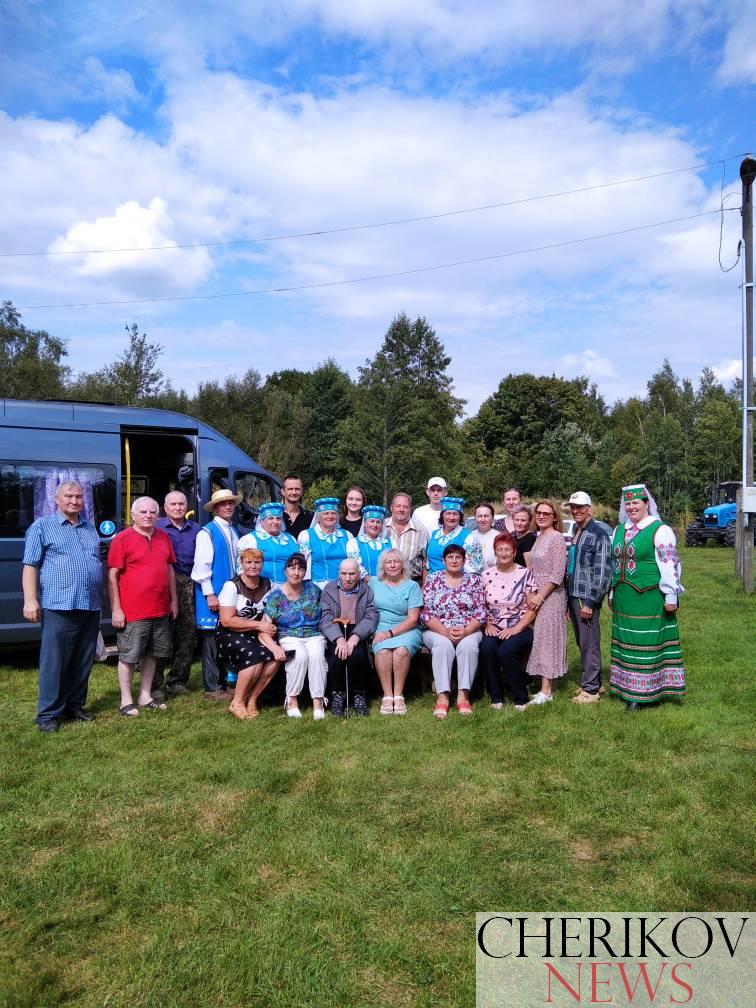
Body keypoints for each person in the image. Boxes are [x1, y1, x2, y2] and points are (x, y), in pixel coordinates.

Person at [22, 480, 103, 733]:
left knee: (83, 660)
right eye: (68, 496)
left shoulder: (90, 528)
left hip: (89, 605)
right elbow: (30, 565)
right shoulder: (42, 527)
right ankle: (48, 714)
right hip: (59, 605)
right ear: (57, 499)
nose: (74, 501)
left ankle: (75, 706)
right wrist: (30, 599)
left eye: (78, 496)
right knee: (54, 662)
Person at [608, 484, 686, 712]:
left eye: (636, 503)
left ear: (646, 504)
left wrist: (671, 594)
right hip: (624, 596)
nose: (631, 507)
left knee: (647, 643)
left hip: (649, 596)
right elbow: (615, 564)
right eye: (628, 503)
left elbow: (670, 563)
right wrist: (613, 591)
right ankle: (627, 688)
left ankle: (644, 694)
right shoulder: (618, 530)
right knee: (627, 642)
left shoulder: (660, 530)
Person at [107, 497, 178, 716]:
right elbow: (112, 575)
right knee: (129, 656)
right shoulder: (122, 539)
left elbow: (169, 570)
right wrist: (116, 609)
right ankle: (126, 700)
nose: (148, 515)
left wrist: (173, 600)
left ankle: (145, 695)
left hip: (160, 608)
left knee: (153, 654)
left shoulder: (163, 537)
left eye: (152, 512)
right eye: (143, 512)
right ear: (133, 515)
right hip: (133, 611)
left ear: (158, 515)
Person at [421, 543, 487, 718]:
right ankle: (443, 696)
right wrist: (444, 631)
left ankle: (463, 695)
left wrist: (466, 631)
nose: (454, 560)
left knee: (469, 647)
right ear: (443, 560)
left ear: (464, 560)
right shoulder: (433, 580)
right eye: (450, 557)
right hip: (437, 630)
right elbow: (426, 613)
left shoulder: (474, 580)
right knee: (443, 646)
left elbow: (480, 612)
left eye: (458, 557)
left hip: (469, 629)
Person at [216, 547, 280, 719]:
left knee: (275, 658)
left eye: (257, 562)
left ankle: (252, 699)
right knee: (255, 659)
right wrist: (259, 625)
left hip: (258, 632)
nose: (253, 566)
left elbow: (270, 616)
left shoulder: (269, 584)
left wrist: (267, 630)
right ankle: (237, 702)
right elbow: (227, 620)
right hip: (231, 632)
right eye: (249, 562)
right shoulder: (232, 586)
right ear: (242, 564)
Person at [262, 552, 327, 720]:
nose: (296, 572)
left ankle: (318, 702)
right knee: (300, 657)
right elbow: (264, 626)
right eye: (292, 568)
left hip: (314, 634)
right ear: (285, 571)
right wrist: (274, 647)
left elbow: (327, 612)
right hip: (288, 635)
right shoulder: (276, 596)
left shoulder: (313, 589)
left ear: (305, 572)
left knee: (317, 656)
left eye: (300, 569)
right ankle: (291, 699)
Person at [191, 488, 241, 701]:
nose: (228, 506)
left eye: (230, 503)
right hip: (213, 594)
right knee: (211, 641)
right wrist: (210, 594)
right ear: (215, 509)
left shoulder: (233, 530)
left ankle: (225, 681)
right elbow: (202, 567)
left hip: (229, 594)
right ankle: (212, 687)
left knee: (226, 639)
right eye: (223, 504)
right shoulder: (207, 532)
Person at [480, 532, 538, 710]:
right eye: (500, 550)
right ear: (495, 552)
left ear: (514, 553)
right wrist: (487, 624)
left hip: (520, 626)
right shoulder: (486, 574)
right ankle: (496, 697)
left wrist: (516, 629)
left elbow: (532, 608)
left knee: (506, 650)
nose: (504, 553)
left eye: (508, 550)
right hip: (493, 625)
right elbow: (480, 604)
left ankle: (521, 697)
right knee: (487, 648)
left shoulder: (525, 574)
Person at [564, 492, 612, 705]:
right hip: (574, 594)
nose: (576, 511)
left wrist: (592, 602)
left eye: (580, 507)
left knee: (589, 642)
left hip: (587, 597)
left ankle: (590, 691)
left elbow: (603, 571)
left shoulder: (598, 533)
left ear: (589, 508)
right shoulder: (577, 530)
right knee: (582, 642)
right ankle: (594, 683)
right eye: (573, 507)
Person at [153, 490, 199, 698]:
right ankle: (154, 683)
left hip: (190, 584)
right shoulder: (156, 528)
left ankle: (178, 680)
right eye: (173, 504)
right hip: (164, 584)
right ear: (165, 507)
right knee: (161, 635)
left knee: (187, 634)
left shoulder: (197, 529)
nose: (178, 508)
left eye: (181, 504)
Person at [320, 558, 378, 716]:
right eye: (344, 573)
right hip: (335, 628)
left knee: (357, 655)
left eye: (352, 574)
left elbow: (370, 616)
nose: (347, 578)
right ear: (338, 573)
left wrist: (355, 637)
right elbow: (325, 618)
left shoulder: (366, 590)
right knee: (336, 655)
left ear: (359, 574)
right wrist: (338, 638)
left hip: (357, 629)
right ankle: (337, 695)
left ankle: (359, 695)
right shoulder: (329, 589)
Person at [524, 499, 568, 704]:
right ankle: (548, 684)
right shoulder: (539, 537)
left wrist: (540, 596)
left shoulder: (556, 537)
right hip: (536, 594)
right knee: (540, 639)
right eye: (538, 513)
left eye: (546, 513)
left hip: (551, 595)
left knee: (548, 640)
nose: (541, 516)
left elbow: (557, 573)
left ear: (554, 517)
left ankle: (546, 691)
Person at [370, 548, 423, 715]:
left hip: (406, 628)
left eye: (396, 561)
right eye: (388, 562)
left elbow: (413, 618)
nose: (393, 565)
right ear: (382, 565)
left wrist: (390, 634)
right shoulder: (373, 582)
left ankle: (399, 695)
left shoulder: (412, 586)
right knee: (383, 650)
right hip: (380, 627)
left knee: (401, 651)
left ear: (403, 565)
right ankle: (387, 695)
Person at [297, 497, 362, 587]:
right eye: (326, 513)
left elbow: (355, 562)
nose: (330, 516)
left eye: (333, 513)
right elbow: (302, 563)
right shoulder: (306, 535)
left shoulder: (347, 535)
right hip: (316, 586)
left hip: (343, 586)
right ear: (318, 517)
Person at [237, 501, 299, 586]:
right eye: (270, 518)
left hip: (290, 589)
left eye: (278, 518)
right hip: (262, 589)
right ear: (262, 521)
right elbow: (241, 567)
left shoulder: (291, 539)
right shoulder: (251, 539)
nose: (275, 522)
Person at [426, 497, 481, 575]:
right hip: (432, 583)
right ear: (442, 515)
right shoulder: (435, 534)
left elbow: (474, 569)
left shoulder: (468, 537)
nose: (451, 517)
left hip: (456, 583)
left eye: (455, 514)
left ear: (460, 517)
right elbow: (428, 564)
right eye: (448, 513)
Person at [385, 492, 428, 582]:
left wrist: (424, 586)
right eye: (398, 506)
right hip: (385, 582)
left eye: (405, 507)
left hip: (412, 582)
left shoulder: (420, 531)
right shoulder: (381, 527)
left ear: (410, 509)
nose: (401, 509)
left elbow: (426, 562)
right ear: (391, 508)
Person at [356, 504, 392, 577]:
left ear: (382, 525)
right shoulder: (354, 543)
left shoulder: (391, 543)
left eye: (378, 522)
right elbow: (355, 565)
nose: (375, 525)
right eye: (372, 521)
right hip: (363, 585)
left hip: (387, 584)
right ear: (365, 524)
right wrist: (369, 580)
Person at [465, 502, 498, 572]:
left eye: (486, 516)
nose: (483, 519)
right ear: (475, 517)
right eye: (479, 516)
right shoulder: (469, 536)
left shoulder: (498, 537)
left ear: (492, 517)